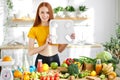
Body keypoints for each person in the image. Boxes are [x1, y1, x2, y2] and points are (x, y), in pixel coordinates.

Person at [27, 2, 75, 67]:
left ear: (50, 14)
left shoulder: (56, 27)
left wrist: (68, 40)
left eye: (47, 12)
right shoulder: (34, 29)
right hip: (41, 60)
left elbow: (60, 50)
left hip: (55, 59)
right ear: (38, 13)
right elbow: (30, 52)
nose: (45, 15)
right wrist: (45, 45)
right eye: (42, 12)